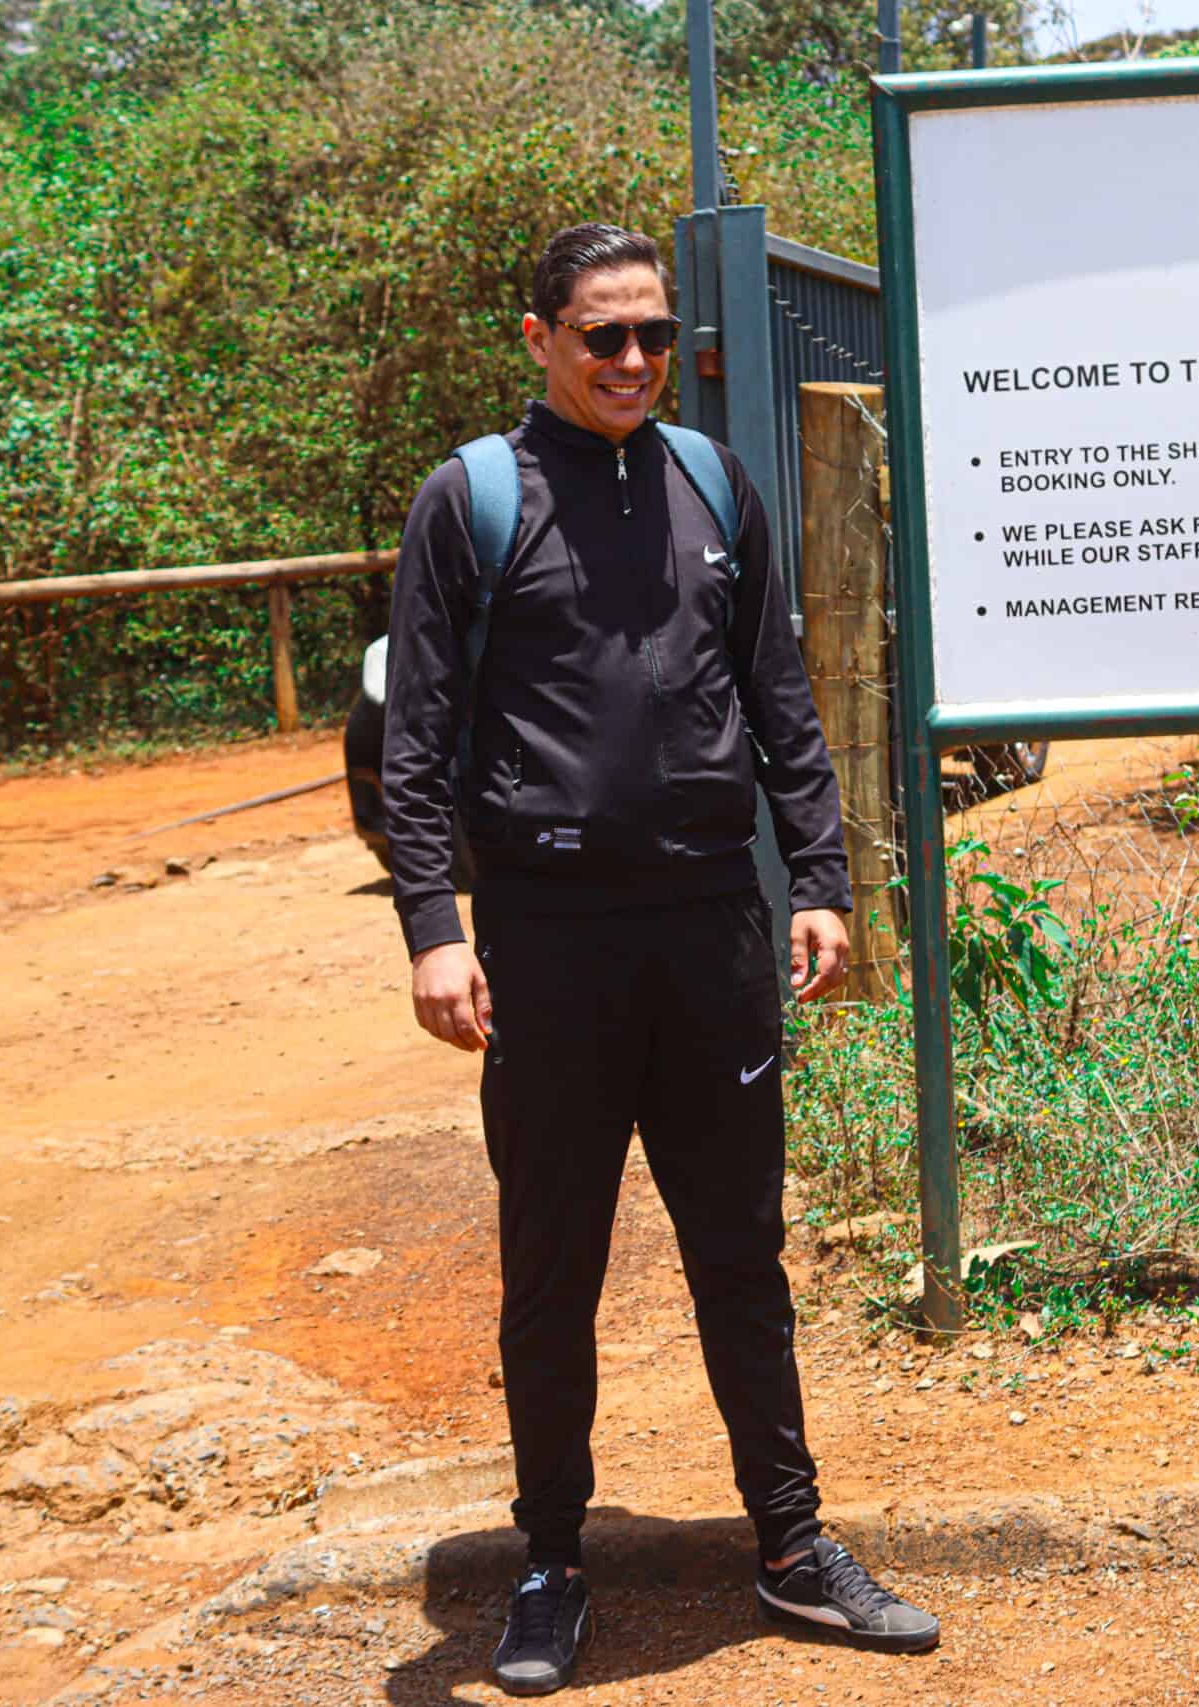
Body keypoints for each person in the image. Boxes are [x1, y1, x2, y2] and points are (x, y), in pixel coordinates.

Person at [382, 224, 940, 1695]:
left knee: (740, 1253)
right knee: (551, 1265)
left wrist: (817, 879)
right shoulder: (471, 501)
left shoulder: (711, 480)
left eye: (651, 334)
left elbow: (778, 693)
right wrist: (434, 928)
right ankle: (550, 1563)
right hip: (550, 943)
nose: (633, 360)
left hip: (711, 932)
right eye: (601, 335)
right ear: (540, 340)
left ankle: (792, 1545)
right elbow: (414, 744)